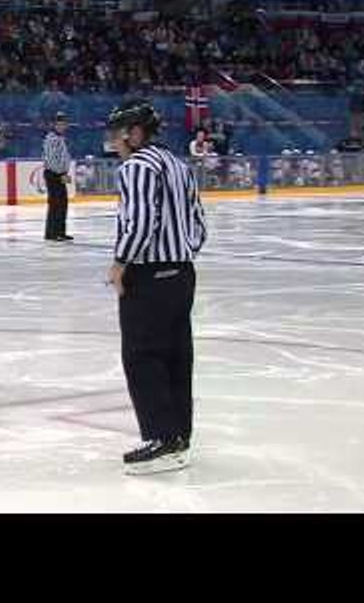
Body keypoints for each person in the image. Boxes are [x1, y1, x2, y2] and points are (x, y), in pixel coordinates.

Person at [105, 99, 208, 476]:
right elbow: (199, 224)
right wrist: (180, 255)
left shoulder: (136, 166)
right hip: (182, 272)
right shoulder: (180, 166)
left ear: (134, 133)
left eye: (117, 134)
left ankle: (160, 438)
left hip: (149, 276)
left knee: (142, 355)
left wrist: (121, 262)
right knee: (177, 355)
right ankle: (178, 436)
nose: (113, 143)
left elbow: (142, 220)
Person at [42, 111, 73, 241]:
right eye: (59, 124)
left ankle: (59, 231)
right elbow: (51, 159)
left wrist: (64, 172)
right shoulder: (51, 139)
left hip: (59, 174)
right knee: (56, 203)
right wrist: (61, 173)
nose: (62, 126)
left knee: (62, 203)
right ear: (54, 125)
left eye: (64, 124)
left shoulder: (59, 138)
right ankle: (52, 233)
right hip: (54, 174)